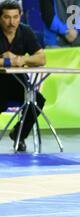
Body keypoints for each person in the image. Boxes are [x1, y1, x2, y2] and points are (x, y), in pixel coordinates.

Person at [0, 0, 46, 152]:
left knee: (37, 101)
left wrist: (23, 59)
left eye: (15, 17)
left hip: (18, 82)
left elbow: (41, 58)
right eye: (7, 17)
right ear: (0, 18)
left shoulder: (25, 31)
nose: (11, 22)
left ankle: (19, 135)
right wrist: (8, 61)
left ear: (20, 16)